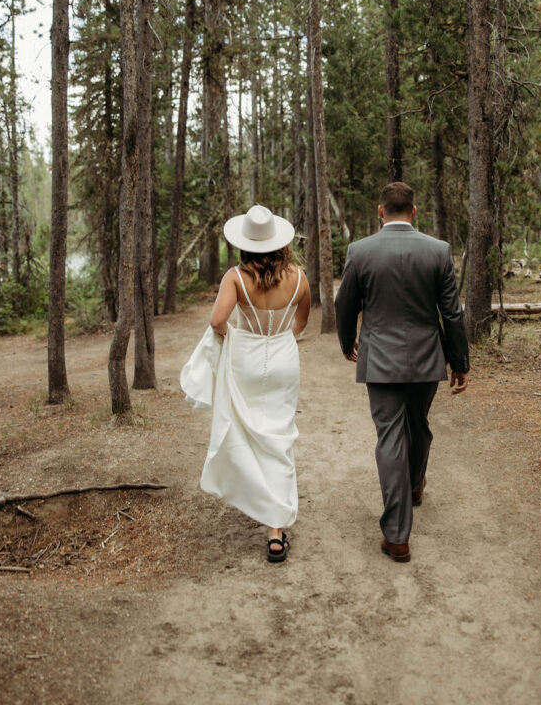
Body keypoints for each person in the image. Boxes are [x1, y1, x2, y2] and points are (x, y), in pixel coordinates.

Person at [334, 181, 469, 563]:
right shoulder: (438, 251)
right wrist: (459, 362)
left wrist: (348, 344)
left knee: (392, 437)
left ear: (381, 211)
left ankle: (397, 534)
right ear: (413, 211)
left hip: (379, 360)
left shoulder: (360, 251)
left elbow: (345, 305)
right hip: (427, 359)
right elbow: (452, 313)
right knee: (418, 425)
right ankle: (411, 490)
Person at [192, 205, 310, 563]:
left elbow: (217, 322)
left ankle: (255, 496)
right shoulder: (300, 278)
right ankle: (275, 530)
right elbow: (299, 325)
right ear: (280, 243)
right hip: (284, 360)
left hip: (245, 359)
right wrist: (276, 344)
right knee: (279, 433)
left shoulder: (235, 277)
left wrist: (243, 341)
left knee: (248, 429)